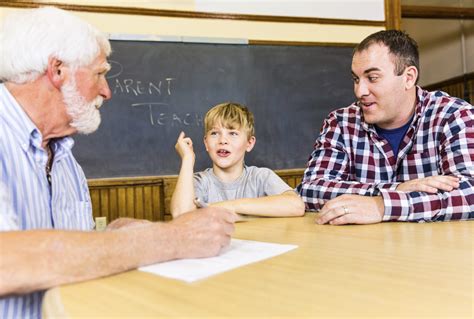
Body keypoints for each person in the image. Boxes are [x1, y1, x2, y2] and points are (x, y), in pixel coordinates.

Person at [0, 7, 237, 318]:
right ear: (57, 70)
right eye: (100, 73)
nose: (107, 91)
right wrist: (171, 238)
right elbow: (8, 261)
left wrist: (116, 232)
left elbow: (68, 250)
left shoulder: (63, 155)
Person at [297, 29, 474, 225]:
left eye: (372, 78)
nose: (359, 91)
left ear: (408, 77)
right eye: (356, 79)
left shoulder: (454, 116)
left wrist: (382, 206)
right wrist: (395, 189)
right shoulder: (341, 122)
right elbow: (310, 190)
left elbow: (470, 193)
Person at [171, 102, 305, 219]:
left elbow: (296, 205)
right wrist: (188, 159)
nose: (222, 140)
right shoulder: (198, 181)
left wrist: (217, 207)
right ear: (206, 143)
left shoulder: (261, 177)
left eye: (233, 133)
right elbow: (181, 215)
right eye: (214, 133)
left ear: (249, 143)